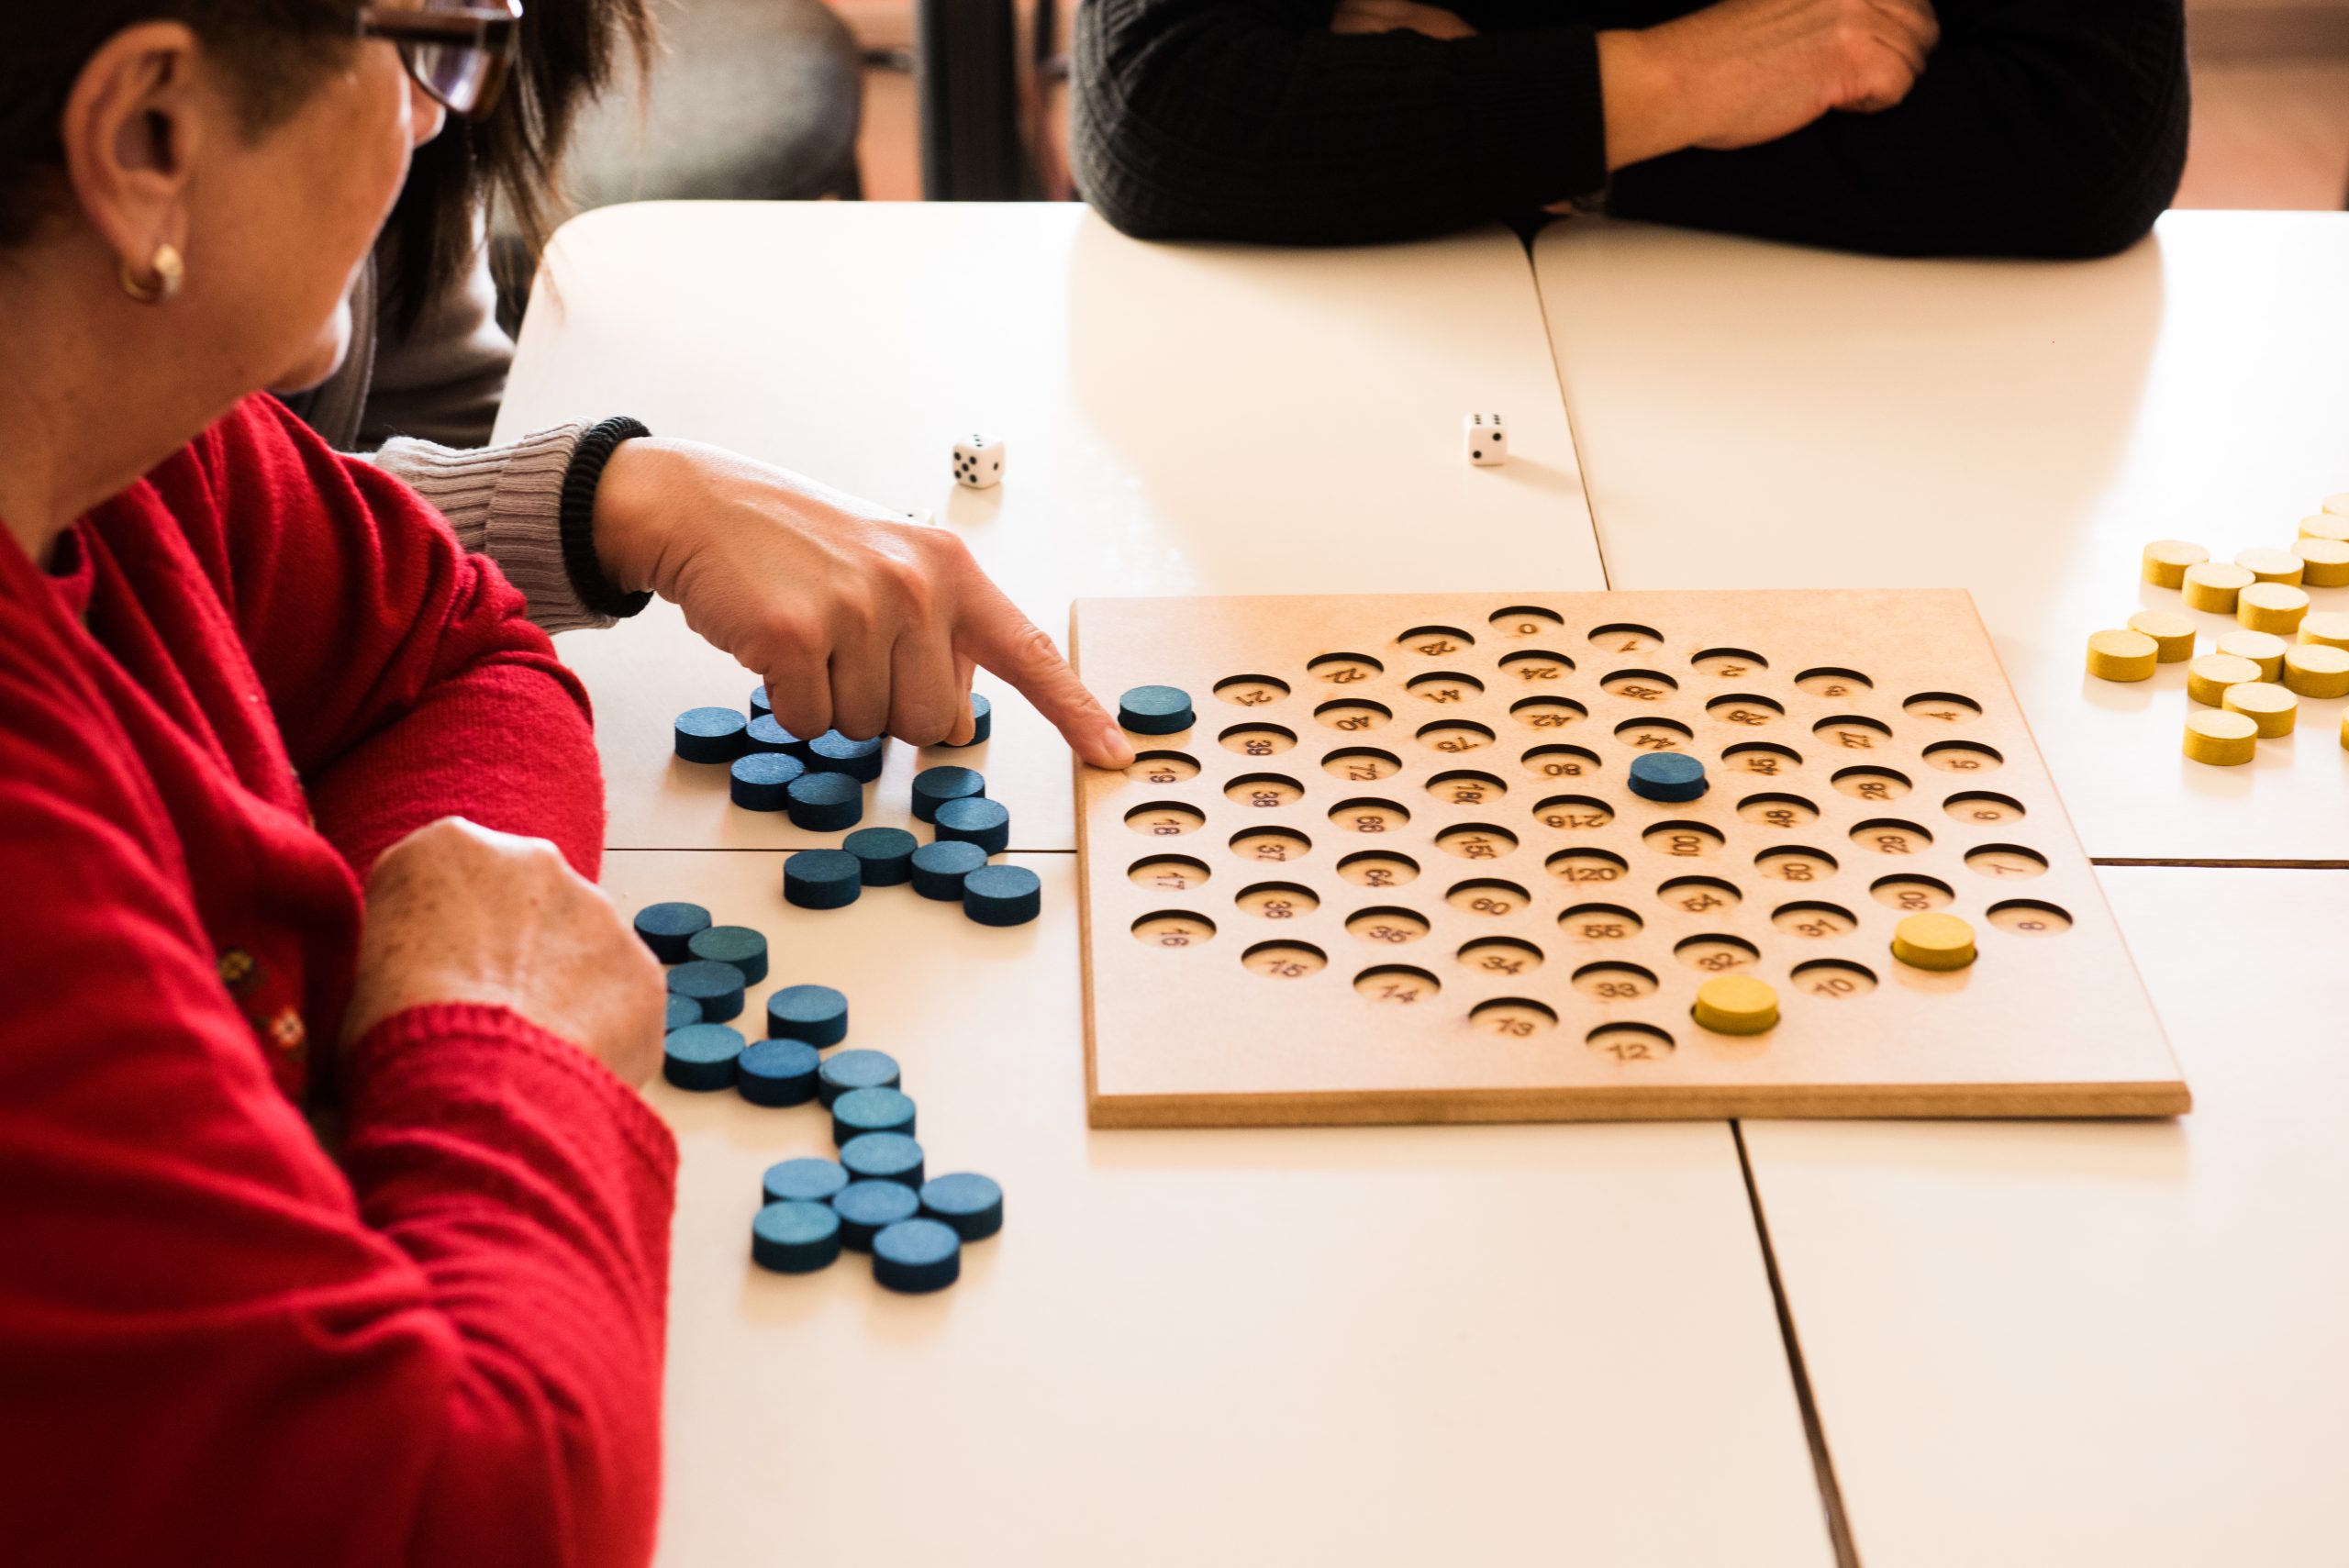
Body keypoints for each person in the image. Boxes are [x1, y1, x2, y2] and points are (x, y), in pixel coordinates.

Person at [0, 6, 1099, 1562]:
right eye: (430, 48)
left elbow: (453, 649)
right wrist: (482, 1022)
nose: (451, 121)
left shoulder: (128, 435)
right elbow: (482, 1512)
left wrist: (411, 928)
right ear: (147, 142)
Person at [275, 0, 1119, 759]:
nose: (430, 117)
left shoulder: (425, 69)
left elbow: (441, 420)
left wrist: (615, 498)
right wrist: (616, 503)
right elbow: (217, 545)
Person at [1071, 0, 2188, 260]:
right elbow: (1161, 114)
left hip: (1831, 394)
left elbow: (2085, 139)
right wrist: (1686, 78)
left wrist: (1489, 104)